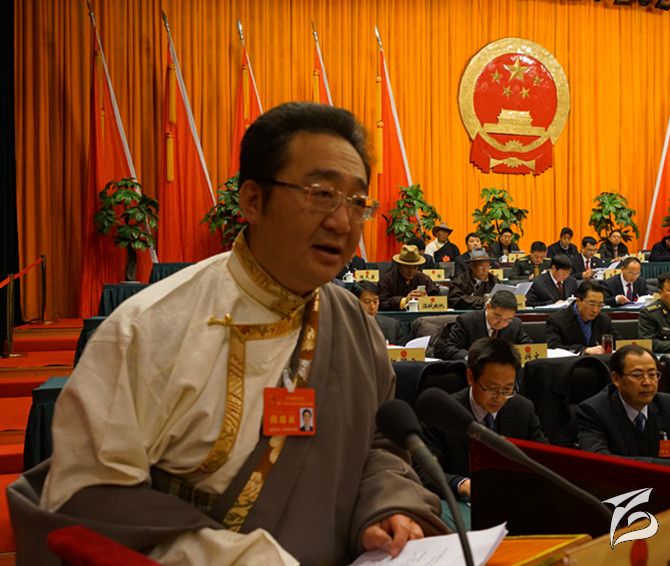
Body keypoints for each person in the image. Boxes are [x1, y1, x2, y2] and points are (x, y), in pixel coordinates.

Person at [8, 103, 446, 565]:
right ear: (252, 200)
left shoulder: (352, 324)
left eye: (357, 202)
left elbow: (379, 445)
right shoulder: (149, 329)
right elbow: (87, 501)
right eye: (321, 194)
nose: (342, 221)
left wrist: (387, 507)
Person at [419, 338, 547, 500]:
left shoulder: (523, 409)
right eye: (492, 388)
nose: (499, 398)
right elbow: (423, 471)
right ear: (471, 377)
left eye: (507, 389)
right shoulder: (442, 413)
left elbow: (544, 461)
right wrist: (462, 485)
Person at [578, 345, 670, 473]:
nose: (647, 382)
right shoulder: (594, 411)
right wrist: (669, 466)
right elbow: (600, 461)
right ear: (616, 379)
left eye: (653, 374)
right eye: (637, 375)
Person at [435, 291, 532, 360]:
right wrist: (471, 357)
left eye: (508, 319)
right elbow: (447, 349)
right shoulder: (467, 321)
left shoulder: (515, 324)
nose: (501, 323)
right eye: (497, 316)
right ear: (488, 307)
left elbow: (527, 345)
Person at [546, 280, 616, 354]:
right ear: (578, 301)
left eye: (600, 305)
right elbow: (553, 347)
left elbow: (618, 342)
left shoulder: (604, 319)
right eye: (592, 304)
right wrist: (583, 350)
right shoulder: (557, 320)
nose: (595, 310)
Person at [378, 244, 440, 311]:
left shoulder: (423, 278)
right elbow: (381, 303)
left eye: (415, 267)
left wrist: (426, 300)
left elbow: (439, 299)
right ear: (400, 265)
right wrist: (404, 300)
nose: (411, 271)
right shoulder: (387, 279)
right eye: (407, 267)